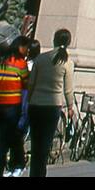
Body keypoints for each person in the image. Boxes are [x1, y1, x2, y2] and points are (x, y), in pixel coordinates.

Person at [26, 29, 75, 178]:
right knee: (45, 144)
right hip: (52, 106)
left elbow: (31, 82)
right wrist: (70, 106)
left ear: (54, 40)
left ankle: (34, 173)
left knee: (35, 143)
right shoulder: (67, 62)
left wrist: (29, 99)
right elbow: (68, 89)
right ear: (68, 42)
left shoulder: (40, 59)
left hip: (35, 104)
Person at [0, 36, 31, 177]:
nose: (27, 50)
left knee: (5, 137)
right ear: (20, 47)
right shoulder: (20, 63)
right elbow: (27, 83)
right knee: (4, 142)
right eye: (26, 47)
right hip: (13, 105)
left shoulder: (0, 61)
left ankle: (12, 165)